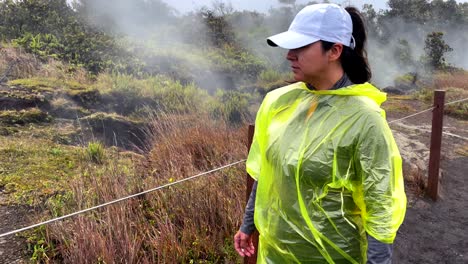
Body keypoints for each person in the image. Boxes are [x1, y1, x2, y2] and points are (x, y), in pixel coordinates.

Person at [233, 3, 406, 264]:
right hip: (275, 255)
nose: (289, 55)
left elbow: (380, 205)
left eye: (301, 47)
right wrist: (248, 225)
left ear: (335, 50)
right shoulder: (280, 104)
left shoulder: (364, 119)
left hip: (334, 256)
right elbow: (267, 172)